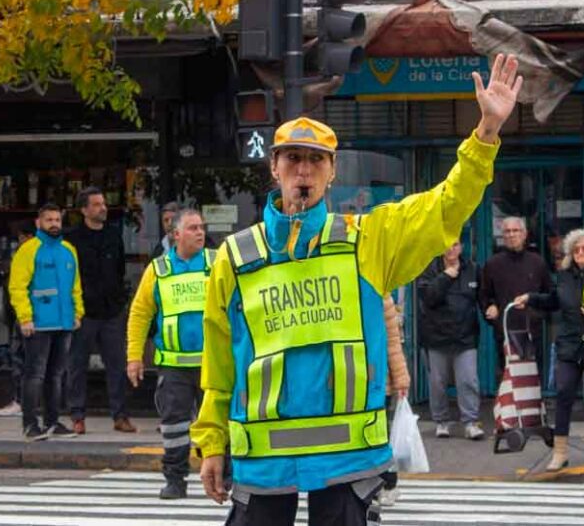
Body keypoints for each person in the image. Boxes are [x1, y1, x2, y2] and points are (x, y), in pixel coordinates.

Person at [190, 53, 522, 526]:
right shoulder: (237, 256)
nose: (303, 170)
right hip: (261, 459)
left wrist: (486, 132)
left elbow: (446, 208)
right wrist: (211, 443)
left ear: (331, 173)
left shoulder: (368, 240)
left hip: (347, 460)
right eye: (293, 159)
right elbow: (219, 361)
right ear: (275, 168)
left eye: (315, 161)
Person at [127, 208, 214, 499]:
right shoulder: (159, 269)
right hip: (174, 366)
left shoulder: (216, 263)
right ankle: (176, 480)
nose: (200, 232)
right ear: (176, 235)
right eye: (192, 228)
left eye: (201, 227)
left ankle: (224, 477)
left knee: (218, 424)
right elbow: (140, 314)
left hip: (214, 364)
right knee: (175, 426)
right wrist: (134, 357)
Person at [513, 225, 584, 470]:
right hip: (570, 341)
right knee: (564, 393)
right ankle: (560, 451)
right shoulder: (564, 275)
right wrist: (530, 298)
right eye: (576, 249)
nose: (580, 253)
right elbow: (554, 300)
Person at [8, 203, 84, 442]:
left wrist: (78, 313)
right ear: (38, 222)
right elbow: (18, 286)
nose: (54, 224)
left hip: (63, 323)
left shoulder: (68, 250)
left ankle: (52, 422)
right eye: (49, 220)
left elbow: (75, 286)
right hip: (38, 324)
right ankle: (30, 424)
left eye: (57, 220)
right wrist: (25, 318)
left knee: (56, 375)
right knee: (34, 375)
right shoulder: (29, 250)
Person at [65, 187, 136, 435]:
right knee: (77, 365)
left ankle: (120, 415)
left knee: (116, 365)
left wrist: (119, 300)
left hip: (111, 310)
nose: (102, 208)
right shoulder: (72, 239)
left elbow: (119, 269)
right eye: (96, 204)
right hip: (83, 311)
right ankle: (77, 415)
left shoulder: (113, 236)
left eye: (103, 203)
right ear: (84, 210)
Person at [417, 241, 484, 440]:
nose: (451, 249)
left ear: (461, 247)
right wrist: (446, 277)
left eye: (455, 245)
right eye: (446, 245)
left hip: (465, 336)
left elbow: (482, 296)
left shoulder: (472, 269)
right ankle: (441, 422)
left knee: (468, 380)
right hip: (436, 337)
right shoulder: (429, 269)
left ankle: (471, 422)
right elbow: (428, 297)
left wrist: (490, 308)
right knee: (438, 383)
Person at [480, 216, 553, 376]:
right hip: (505, 332)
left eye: (516, 230)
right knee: (509, 380)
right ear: (502, 235)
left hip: (533, 332)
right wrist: (490, 307)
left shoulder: (537, 262)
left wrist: (538, 315)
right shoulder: (493, 264)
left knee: (533, 378)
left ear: (524, 234)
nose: (512, 235)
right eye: (507, 231)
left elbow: (550, 296)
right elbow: (484, 295)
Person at [0, 222, 37, 417]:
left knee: (22, 359)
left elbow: (19, 288)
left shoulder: (27, 256)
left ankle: (22, 402)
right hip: (25, 314)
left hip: (25, 315)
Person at [377, 293, 410, 507]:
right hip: (358, 381)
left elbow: (393, 343)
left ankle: (389, 484)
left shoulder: (383, 296)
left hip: (380, 382)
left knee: (381, 437)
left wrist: (401, 379)